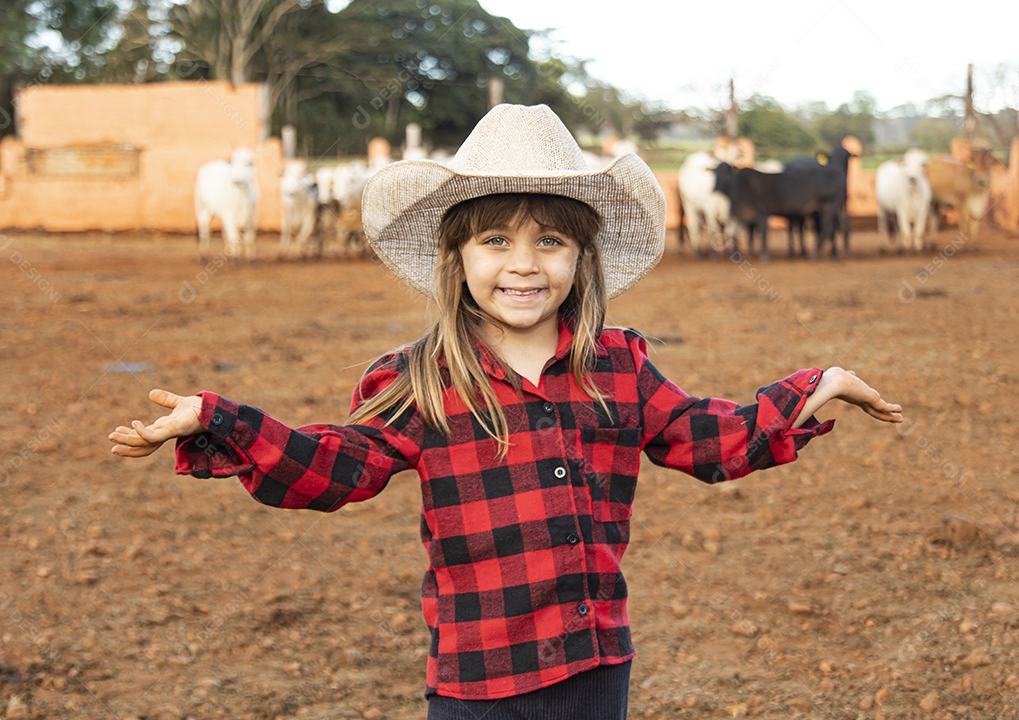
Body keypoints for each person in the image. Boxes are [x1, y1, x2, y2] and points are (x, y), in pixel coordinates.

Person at [109, 104, 902, 719]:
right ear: (455, 258)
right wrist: (219, 418)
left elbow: (705, 436)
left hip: (597, 669)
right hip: (477, 684)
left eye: (551, 243)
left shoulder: (618, 365)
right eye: (494, 241)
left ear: (582, 257)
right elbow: (336, 465)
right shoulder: (420, 379)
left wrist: (813, 387)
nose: (523, 264)